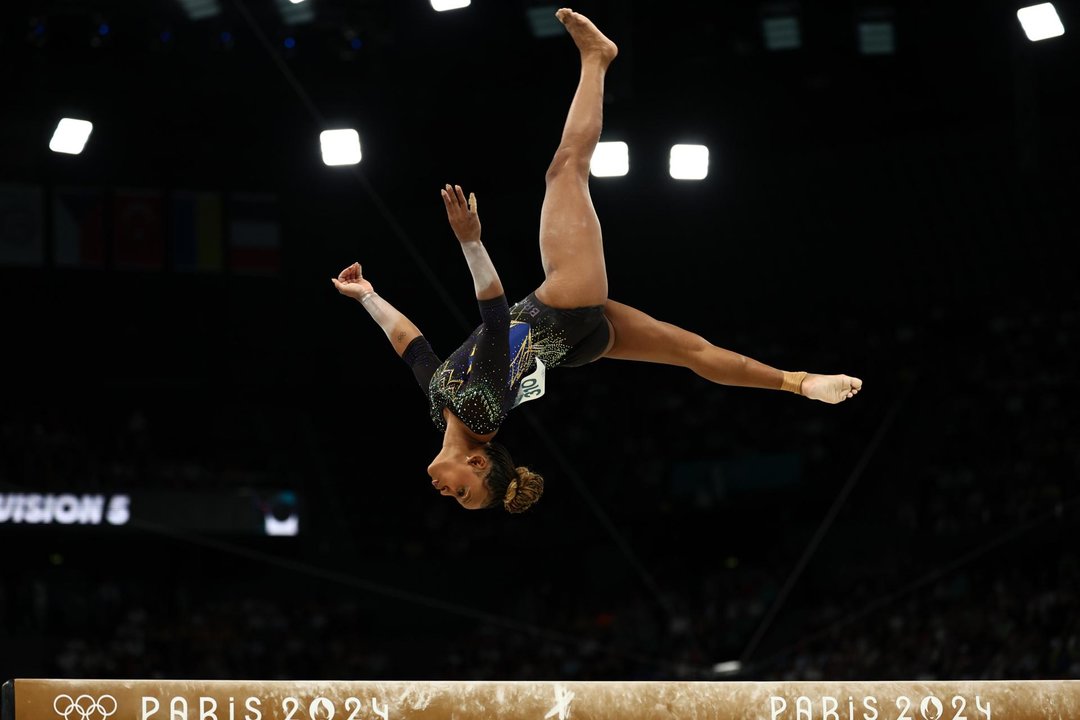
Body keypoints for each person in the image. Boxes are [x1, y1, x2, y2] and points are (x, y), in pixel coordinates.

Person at [331, 7, 862, 515]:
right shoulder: (480, 412)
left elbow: (413, 347)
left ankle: (798, 381)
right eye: (465, 494)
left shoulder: (443, 408)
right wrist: (470, 240)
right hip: (564, 304)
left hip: (577, 343)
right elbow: (495, 321)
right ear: (476, 462)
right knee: (565, 170)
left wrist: (368, 297)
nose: (447, 494)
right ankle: (597, 58)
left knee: (693, 353)